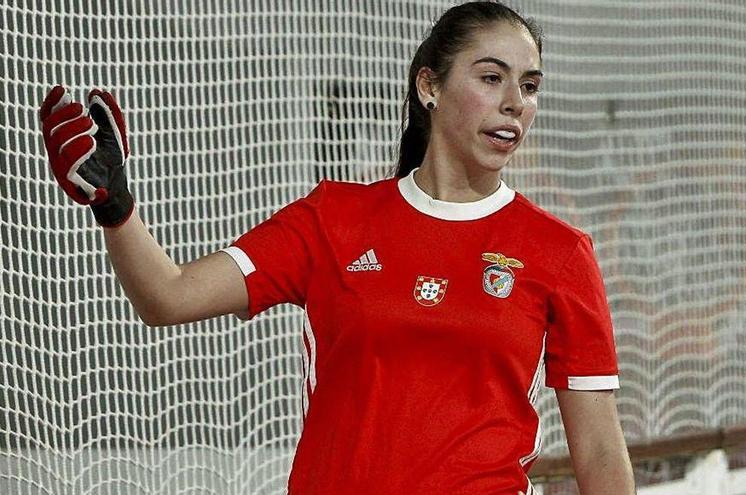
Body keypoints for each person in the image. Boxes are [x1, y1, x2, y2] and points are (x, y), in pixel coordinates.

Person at [38, 1, 635, 494]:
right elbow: (167, 298)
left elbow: (602, 456)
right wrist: (115, 209)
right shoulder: (334, 219)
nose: (515, 103)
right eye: (491, 77)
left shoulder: (559, 252)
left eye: (529, 86)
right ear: (429, 85)